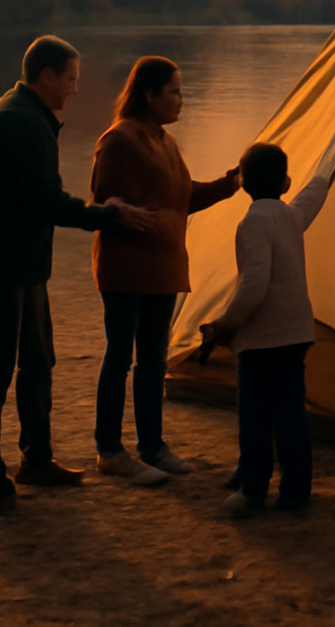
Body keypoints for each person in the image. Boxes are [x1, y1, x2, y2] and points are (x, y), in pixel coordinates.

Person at [0, 35, 156, 515]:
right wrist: (110, 214)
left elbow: (34, 200)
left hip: (18, 264)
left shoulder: (21, 114)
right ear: (46, 76)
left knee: (38, 360)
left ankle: (36, 459)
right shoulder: (20, 122)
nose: (75, 89)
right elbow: (49, 202)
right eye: (71, 79)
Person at [90, 56, 240, 485]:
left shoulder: (165, 140)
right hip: (127, 269)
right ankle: (110, 450)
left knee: (154, 361)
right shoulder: (120, 139)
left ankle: (152, 446)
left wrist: (230, 183)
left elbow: (181, 198)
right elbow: (103, 204)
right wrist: (124, 216)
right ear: (150, 95)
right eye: (174, 91)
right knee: (120, 357)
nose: (181, 99)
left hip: (164, 268)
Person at [201, 142, 328, 518]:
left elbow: (255, 284)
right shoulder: (290, 216)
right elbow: (313, 196)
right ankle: (295, 490)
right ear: (285, 182)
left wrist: (226, 323)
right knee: (291, 414)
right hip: (296, 333)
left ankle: (253, 489)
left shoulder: (254, 221)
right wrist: (325, 167)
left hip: (261, 339)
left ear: (242, 183)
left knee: (255, 417)